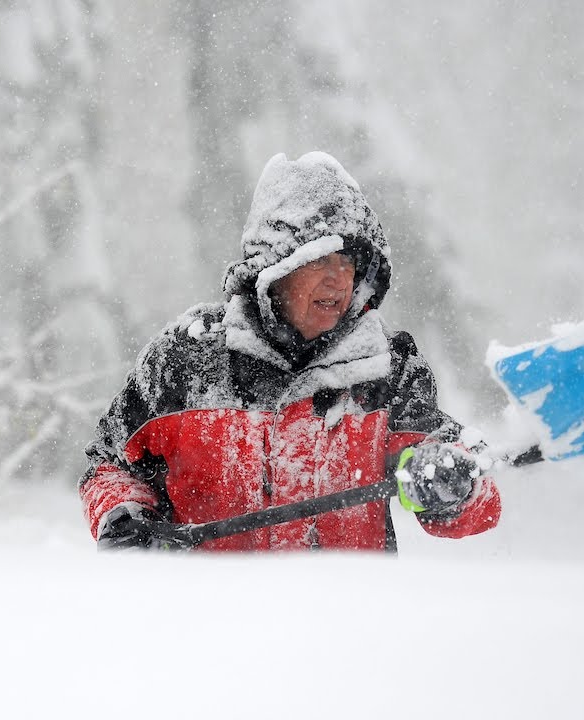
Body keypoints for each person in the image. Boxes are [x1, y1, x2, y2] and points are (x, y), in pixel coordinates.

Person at [80, 151, 501, 552]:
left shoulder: (386, 370)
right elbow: (108, 464)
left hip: (348, 620)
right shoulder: (185, 362)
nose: (340, 281)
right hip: (206, 620)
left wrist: (451, 484)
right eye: (323, 260)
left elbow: (466, 485)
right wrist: (125, 515)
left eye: (350, 264)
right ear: (275, 267)